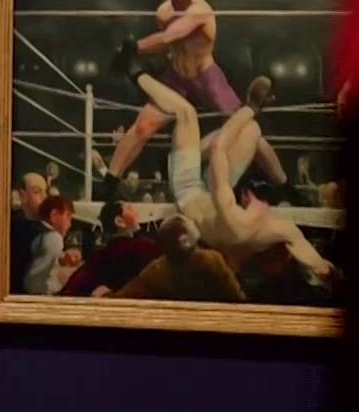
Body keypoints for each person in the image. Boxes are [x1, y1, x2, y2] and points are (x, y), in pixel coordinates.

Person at [131, 71, 337, 285]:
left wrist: (250, 108)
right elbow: (300, 245)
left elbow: (218, 147)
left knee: (186, 113)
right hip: (212, 195)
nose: (260, 204)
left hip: (188, 190)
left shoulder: (232, 216)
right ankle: (286, 186)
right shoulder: (265, 232)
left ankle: (136, 73)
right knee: (252, 130)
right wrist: (324, 270)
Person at [106, 0, 288, 190]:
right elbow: (169, 44)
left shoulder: (199, 11)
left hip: (206, 76)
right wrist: (130, 51)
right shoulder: (164, 12)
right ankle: (109, 181)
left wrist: (131, 49)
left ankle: (285, 185)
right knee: (144, 125)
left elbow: (169, 36)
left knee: (244, 127)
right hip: (177, 76)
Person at [97, 215, 245, 301]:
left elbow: (127, 296)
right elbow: (237, 297)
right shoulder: (213, 260)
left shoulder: (157, 270)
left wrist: (105, 296)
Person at [61, 201, 159, 296]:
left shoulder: (102, 255)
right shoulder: (143, 246)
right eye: (129, 209)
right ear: (120, 222)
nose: (136, 212)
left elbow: (77, 284)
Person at [22, 194, 81, 295]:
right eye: (68, 216)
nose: (70, 224)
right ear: (54, 215)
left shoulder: (34, 230)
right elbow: (35, 281)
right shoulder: (53, 237)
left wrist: (62, 258)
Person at [8, 172, 47, 294]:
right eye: (37, 192)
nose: (44, 197)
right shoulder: (16, 226)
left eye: (45, 192)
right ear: (23, 196)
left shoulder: (44, 225)